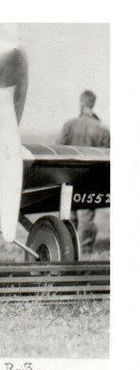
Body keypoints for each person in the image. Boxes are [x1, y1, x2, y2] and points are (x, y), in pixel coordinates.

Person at [57, 90, 110, 253]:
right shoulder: (103, 129)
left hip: (69, 178)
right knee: (86, 216)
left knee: (68, 215)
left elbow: (58, 149)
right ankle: (85, 251)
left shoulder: (69, 125)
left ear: (81, 103)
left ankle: (68, 250)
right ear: (93, 104)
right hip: (90, 180)